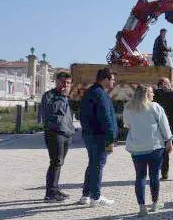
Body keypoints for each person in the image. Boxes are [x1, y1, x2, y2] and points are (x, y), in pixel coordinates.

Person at [123, 85, 173, 216]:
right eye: (151, 92)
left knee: (140, 176)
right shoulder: (155, 107)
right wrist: (169, 141)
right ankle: (155, 203)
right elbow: (164, 126)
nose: (153, 95)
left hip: (136, 148)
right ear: (146, 94)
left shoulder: (128, 107)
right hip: (154, 147)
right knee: (154, 176)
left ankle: (142, 207)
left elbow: (127, 125)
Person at [78, 68, 118, 207]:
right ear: (105, 79)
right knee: (98, 166)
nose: (113, 82)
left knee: (92, 165)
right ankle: (96, 197)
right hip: (99, 136)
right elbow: (106, 118)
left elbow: (81, 115)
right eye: (112, 79)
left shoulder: (90, 92)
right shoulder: (101, 94)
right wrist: (111, 138)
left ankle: (85, 195)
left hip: (89, 135)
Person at [39, 71, 75, 202]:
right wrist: (62, 97)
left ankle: (54, 189)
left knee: (59, 163)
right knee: (55, 162)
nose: (65, 85)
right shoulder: (49, 96)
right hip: (54, 133)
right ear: (57, 82)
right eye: (62, 82)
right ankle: (50, 194)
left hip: (66, 133)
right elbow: (52, 114)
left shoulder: (65, 97)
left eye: (68, 83)